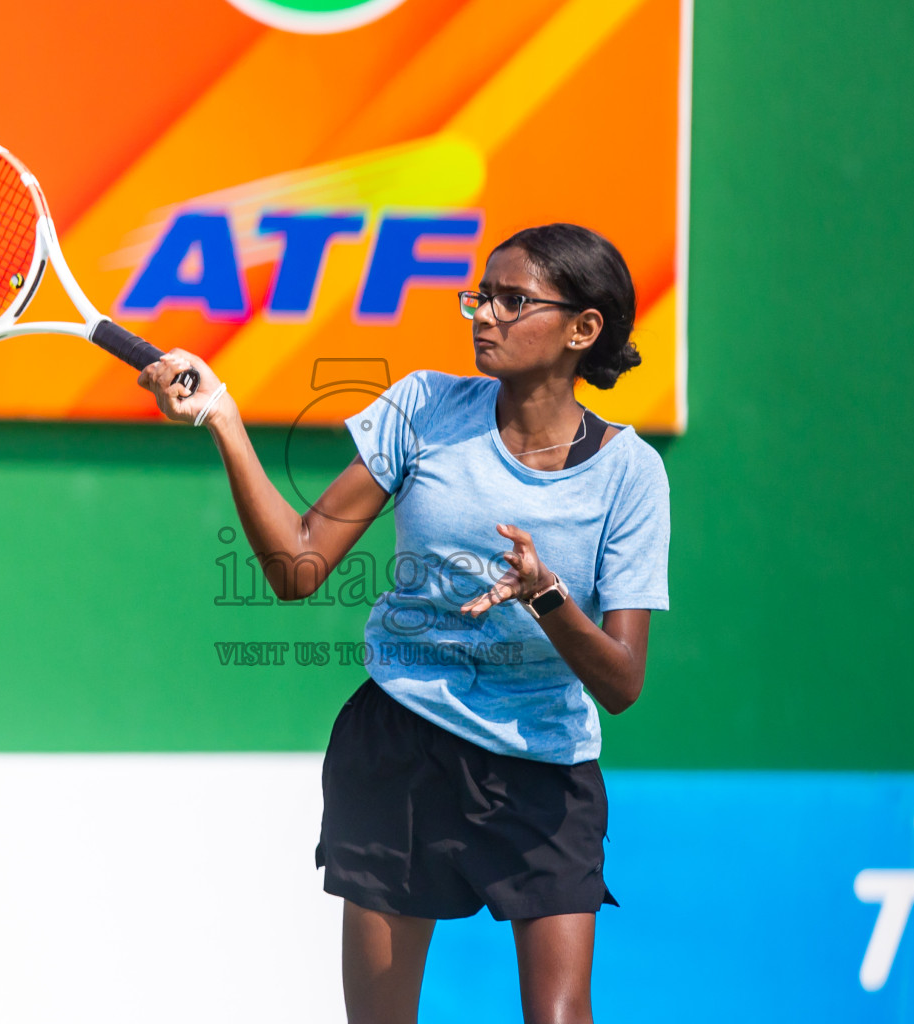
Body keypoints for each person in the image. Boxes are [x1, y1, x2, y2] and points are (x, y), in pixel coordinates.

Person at [137, 222, 670, 1024]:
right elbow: (298, 566)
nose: (483, 314)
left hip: (544, 769)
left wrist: (546, 595)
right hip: (401, 750)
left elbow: (623, 681)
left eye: (512, 299)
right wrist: (224, 419)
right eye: (481, 295)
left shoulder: (632, 474)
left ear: (582, 329)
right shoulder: (423, 406)